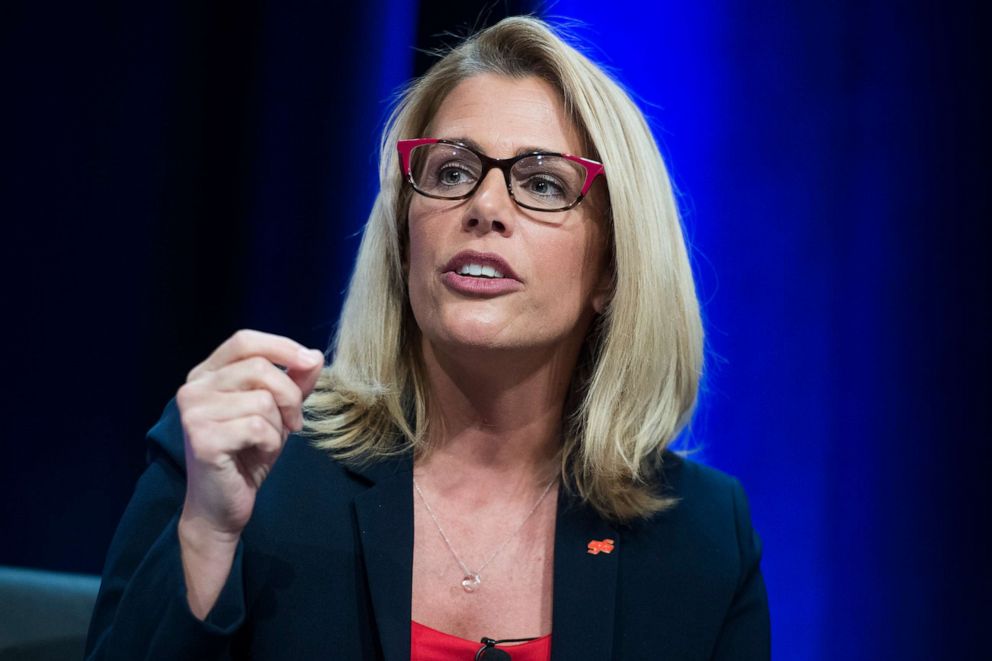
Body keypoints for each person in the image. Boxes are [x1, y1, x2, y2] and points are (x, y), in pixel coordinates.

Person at [85, 16, 770, 661]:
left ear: (612, 269)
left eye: (541, 183)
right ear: (405, 236)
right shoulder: (244, 457)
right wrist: (207, 535)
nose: (484, 207)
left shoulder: (703, 540)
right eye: (450, 171)